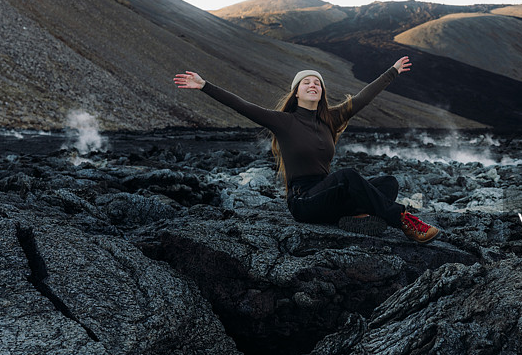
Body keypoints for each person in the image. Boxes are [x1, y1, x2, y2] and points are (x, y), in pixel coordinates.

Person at [173, 56, 439, 243]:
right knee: (348, 176)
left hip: (328, 194)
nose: (313, 85)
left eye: (317, 83)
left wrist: (392, 72)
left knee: (388, 182)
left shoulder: (330, 119)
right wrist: (205, 86)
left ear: (321, 92)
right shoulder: (283, 121)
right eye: (306, 82)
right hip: (303, 201)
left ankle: (354, 218)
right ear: (297, 93)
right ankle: (404, 221)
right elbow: (242, 105)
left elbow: (363, 98)